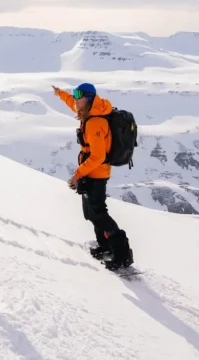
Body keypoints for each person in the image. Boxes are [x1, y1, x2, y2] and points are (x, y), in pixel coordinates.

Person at [52, 83, 134, 270]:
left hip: (96, 174)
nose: (75, 98)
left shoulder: (95, 122)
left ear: (88, 98)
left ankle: (122, 255)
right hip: (89, 172)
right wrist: (59, 93)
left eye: (78, 95)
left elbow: (98, 156)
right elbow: (70, 102)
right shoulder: (86, 111)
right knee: (91, 214)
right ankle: (105, 246)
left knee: (99, 214)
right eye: (74, 94)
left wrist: (77, 175)